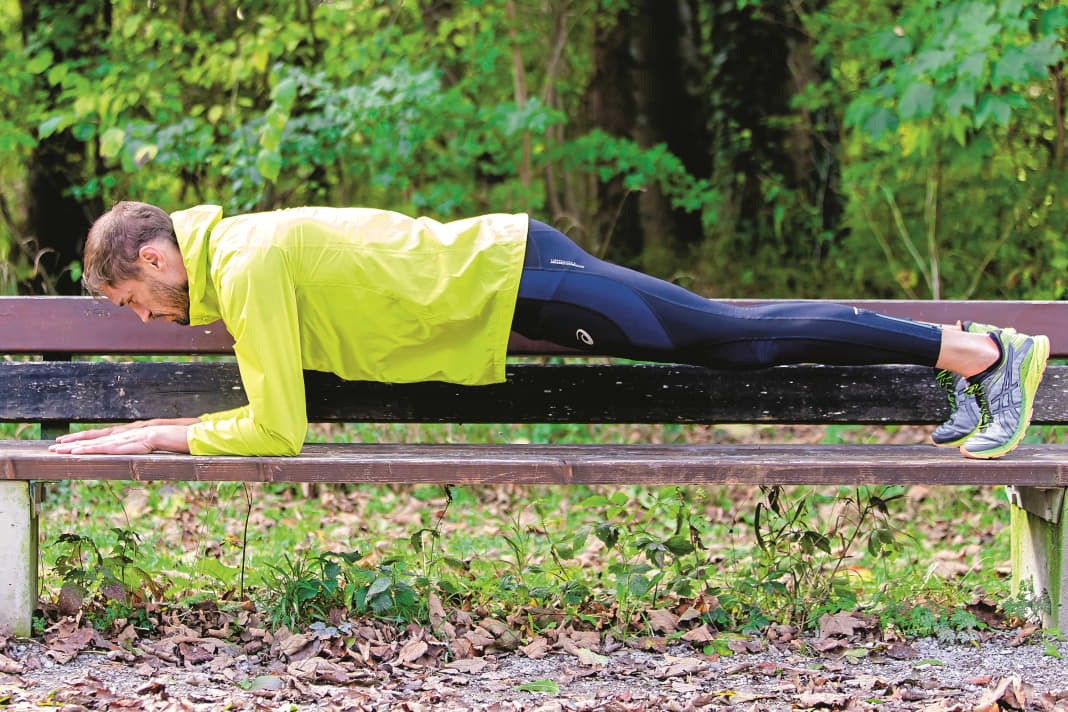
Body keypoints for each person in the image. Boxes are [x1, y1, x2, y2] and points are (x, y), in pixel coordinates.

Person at [49, 202, 1049, 460]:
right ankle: (969, 355)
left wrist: (147, 433)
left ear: (155, 259)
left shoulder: (249, 266)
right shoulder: (242, 259)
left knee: (731, 339)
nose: (153, 320)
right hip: (516, 281)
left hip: (524, 284)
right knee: (725, 335)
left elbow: (278, 429)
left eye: (139, 303)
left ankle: (984, 353)